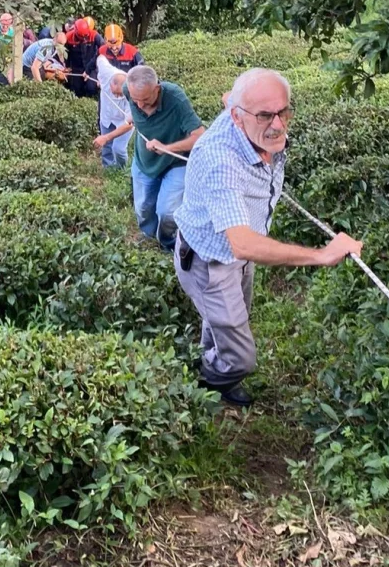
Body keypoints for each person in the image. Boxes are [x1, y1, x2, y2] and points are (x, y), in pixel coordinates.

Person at [173, 68, 364, 407]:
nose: (277, 124)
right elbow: (242, 243)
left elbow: (232, 101)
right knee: (242, 355)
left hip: (239, 256)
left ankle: (211, 360)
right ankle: (210, 382)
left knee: (229, 322)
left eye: (283, 111)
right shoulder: (221, 161)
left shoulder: (244, 117)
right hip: (210, 260)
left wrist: (247, 104)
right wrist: (321, 254)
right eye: (264, 115)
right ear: (237, 117)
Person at [123, 65, 205, 250]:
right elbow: (121, 89)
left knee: (167, 212)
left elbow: (200, 135)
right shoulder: (128, 90)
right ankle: (148, 234)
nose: (140, 105)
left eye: (145, 99)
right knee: (143, 207)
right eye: (136, 100)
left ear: (157, 89)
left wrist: (167, 147)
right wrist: (132, 115)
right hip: (145, 162)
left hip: (175, 162)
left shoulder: (175, 99)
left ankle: (168, 243)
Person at [92, 57, 134, 168]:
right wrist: (98, 77)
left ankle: (121, 169)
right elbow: (100, 58)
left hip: (123, 121)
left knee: (118, 149)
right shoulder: (106, 72)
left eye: (120, 94)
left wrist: (106, 137)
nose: (117, 96)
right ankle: (108, 168)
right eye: (116, 93)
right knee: (107, 147)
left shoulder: (132, 94)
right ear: (111, 84)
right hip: (107, 115)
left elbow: (128, 124)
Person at [66, 18, 104, 98]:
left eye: (85, 36)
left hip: (91, 66)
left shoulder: (94, 35)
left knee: (91, 88)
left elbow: (104, 48)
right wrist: (67, 66)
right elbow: (65, 52)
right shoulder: (69, 37)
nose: (84, 39)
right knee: (76, 90)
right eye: (81, 37)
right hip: (76, 67)